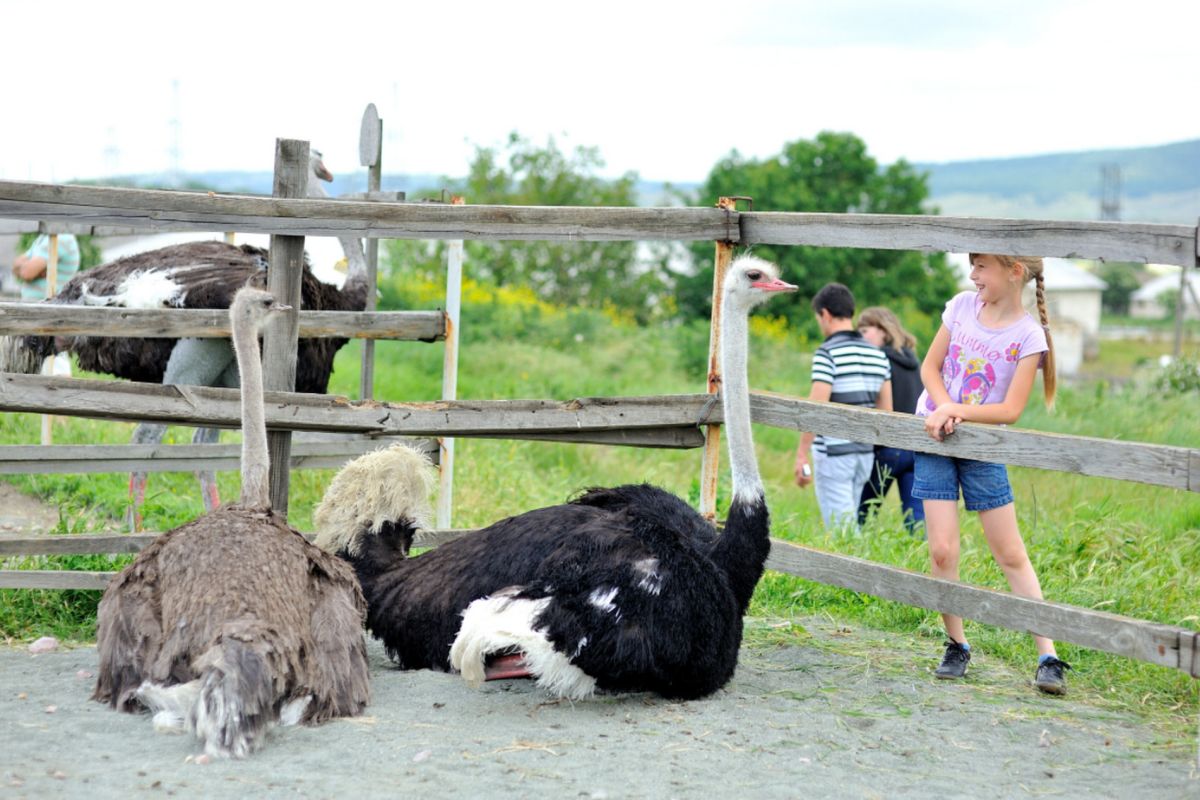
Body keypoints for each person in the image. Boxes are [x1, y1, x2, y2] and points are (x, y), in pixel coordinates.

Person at [913, 253, 1069, 695]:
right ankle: (956, 644)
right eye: (973, 266)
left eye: (982, 266)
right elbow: (929, 367)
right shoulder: (962, 306)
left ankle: (1048, 655)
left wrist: (956, 409)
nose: (973, 275)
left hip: (983, 448)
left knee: (1010, 553)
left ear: (1014, 271)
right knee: (942, 550)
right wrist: (943, 407)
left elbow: (1010, 409)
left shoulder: (1029, 336)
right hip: (935, 437)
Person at [794, 283, 892, 531]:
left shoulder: (827, 353)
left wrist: (801, 454)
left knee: (842, 532)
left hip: (833, 453)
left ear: (825, 314)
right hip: (864, 453)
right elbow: (886, 411)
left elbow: (816, 408)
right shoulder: (879, 355)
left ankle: (854, 559)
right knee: (850, 523)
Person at [855, 306, 925, 534]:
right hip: (915, 447)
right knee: (917, 521)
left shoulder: (879, 360)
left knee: (862, 514)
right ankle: (921, 554)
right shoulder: (914, 361)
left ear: (883, 331)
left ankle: (854, 549)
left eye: (865, 331)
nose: (861, 337)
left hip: (887, 447)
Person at [11, 233, 81, 301]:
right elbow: (15, 267)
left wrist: (30, 268)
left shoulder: (62, 237)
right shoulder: (43, 237)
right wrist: (37, 270)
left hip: (50, 306)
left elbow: (26, 273)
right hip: (37, 304)